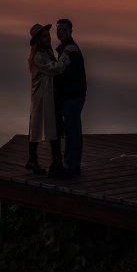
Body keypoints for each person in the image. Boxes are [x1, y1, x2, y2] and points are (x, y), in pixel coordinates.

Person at [25, 23, 68, 175]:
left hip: (48, 96)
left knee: (50, 126)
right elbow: (55, 69)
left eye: (47, 35)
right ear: (38, 40)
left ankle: (52, 161)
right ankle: (36, 160)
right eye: (44, 36)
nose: (48, 38)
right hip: (42, 97)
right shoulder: (38, 56)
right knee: (41, 127)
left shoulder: (47, 52)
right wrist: (65, 58)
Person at [53, 17, 87, 177]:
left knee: (72, 132)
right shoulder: (65, 48)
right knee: (72, 131)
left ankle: (71, 167)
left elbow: (58, 69)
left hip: (73, 96)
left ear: (70, 31)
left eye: (64, 29)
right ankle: (73, 165)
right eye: (59, 29)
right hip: (72, 95)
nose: (60, 32)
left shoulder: (69, 49)